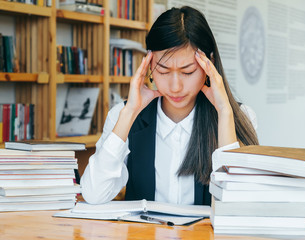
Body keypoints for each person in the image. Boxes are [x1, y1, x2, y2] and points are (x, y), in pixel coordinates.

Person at [80, 6, 259, 205]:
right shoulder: (122, 116)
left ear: (210, 65)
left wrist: (224, 112)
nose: (175, 87)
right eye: (163, 71)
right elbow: (94, 195)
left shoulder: (239, 116)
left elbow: (239, 204)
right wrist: (129, 112)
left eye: (188, 71)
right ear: (148, 66)